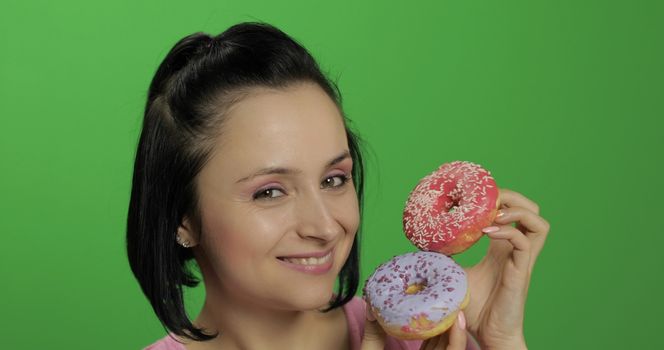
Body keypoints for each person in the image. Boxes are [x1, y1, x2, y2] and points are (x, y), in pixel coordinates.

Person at [126, 21, 550, 350]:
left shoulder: (424, 340)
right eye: (269, 191)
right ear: (182, 217)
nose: (325, 227)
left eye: (333, 180)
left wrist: (501, 341)